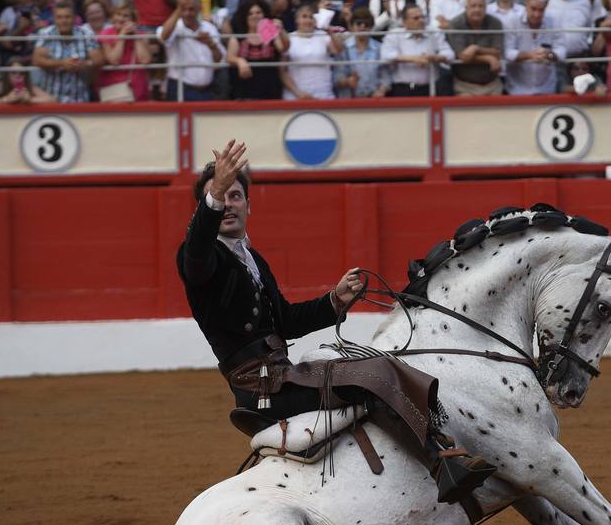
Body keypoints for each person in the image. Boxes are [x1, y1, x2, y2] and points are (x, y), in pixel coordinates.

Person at [179, 139, 493, 501]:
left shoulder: (252, 259)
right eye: (221, 198)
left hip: (281, 374)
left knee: (378, 365)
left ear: (249, 204)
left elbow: (284, 320)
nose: (229, 205)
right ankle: (441, 466)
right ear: (206, 208)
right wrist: (214, 193)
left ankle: (437, 448)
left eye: (235, 196)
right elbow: (197, 250)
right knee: (374, 376)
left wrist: (335, 301)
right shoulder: (198, 257)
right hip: (261, 389)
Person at [31, 2, 103, 103]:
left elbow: (98, 60)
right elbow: (37, 60)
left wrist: (85, 64)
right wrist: (61, 63)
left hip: (79, 99)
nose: (63, 21)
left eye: (67, 17)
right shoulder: (46, 34)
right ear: (54, 19)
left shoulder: (86, 33)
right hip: (52, 100)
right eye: (59, 17)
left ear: (74, 18)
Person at [159, 0, 223, 101]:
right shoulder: (174, 26)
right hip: (180, 88)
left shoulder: (209, 27)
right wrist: (178, 10)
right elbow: (164, 37)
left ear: (199, 10)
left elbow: (218, 59)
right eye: (183, 10)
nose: (187, 13)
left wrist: (211, 44)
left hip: (207, 90)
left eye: (191, 9)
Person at [381, 4, 454, 95]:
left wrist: (435, 57)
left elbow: (450, 54)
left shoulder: (434, 32)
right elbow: (386, 56)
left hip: (430, 88)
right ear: (405, 22)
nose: (421, 20)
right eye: (416, 18)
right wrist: (413, 59)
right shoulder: (395, 34)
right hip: (402, 89)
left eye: (422, 17)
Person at [504, 0, 565, 95]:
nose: (536, 14)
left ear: (546, 7)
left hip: (547, 88)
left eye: (541, 10)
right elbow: (506, 52)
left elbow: (561, 51)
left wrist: (549, 55)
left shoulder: (554, 21)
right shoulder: (511, 21)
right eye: (533, 9)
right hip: (517, 89)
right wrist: (530, 55)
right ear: (526, 5)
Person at [228, 0, 290, 100]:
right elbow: (230, 57)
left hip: (270, 90)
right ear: (245, 17)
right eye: (250, 13)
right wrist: (239, 61)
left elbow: (283, 48)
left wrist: (281, 30)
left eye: (258, 12)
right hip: (245, 91)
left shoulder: (269, 32)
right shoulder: (239, 36)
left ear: (264, 15)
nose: (255, 16)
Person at [445, 0, 504, 95]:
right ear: (466, 7)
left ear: (486, 8)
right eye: (473, 6)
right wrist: (488, 58)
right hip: (464, 86)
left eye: (481, 6)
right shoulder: (456, 24)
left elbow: (498, 52)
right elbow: (463, 56)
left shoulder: (495, 23)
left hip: (493, 84)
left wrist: (476, 48)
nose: (477, 10)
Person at [282, 3, 344, 100]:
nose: (308, 20)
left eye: (311, 17)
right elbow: (282, 71)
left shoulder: (324, 36)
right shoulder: (289, 39)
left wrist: (329, 31)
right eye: (304, 17)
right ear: (297, 20)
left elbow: (338, 51)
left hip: (324, 95)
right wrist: (298, 93)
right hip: (296, 97)